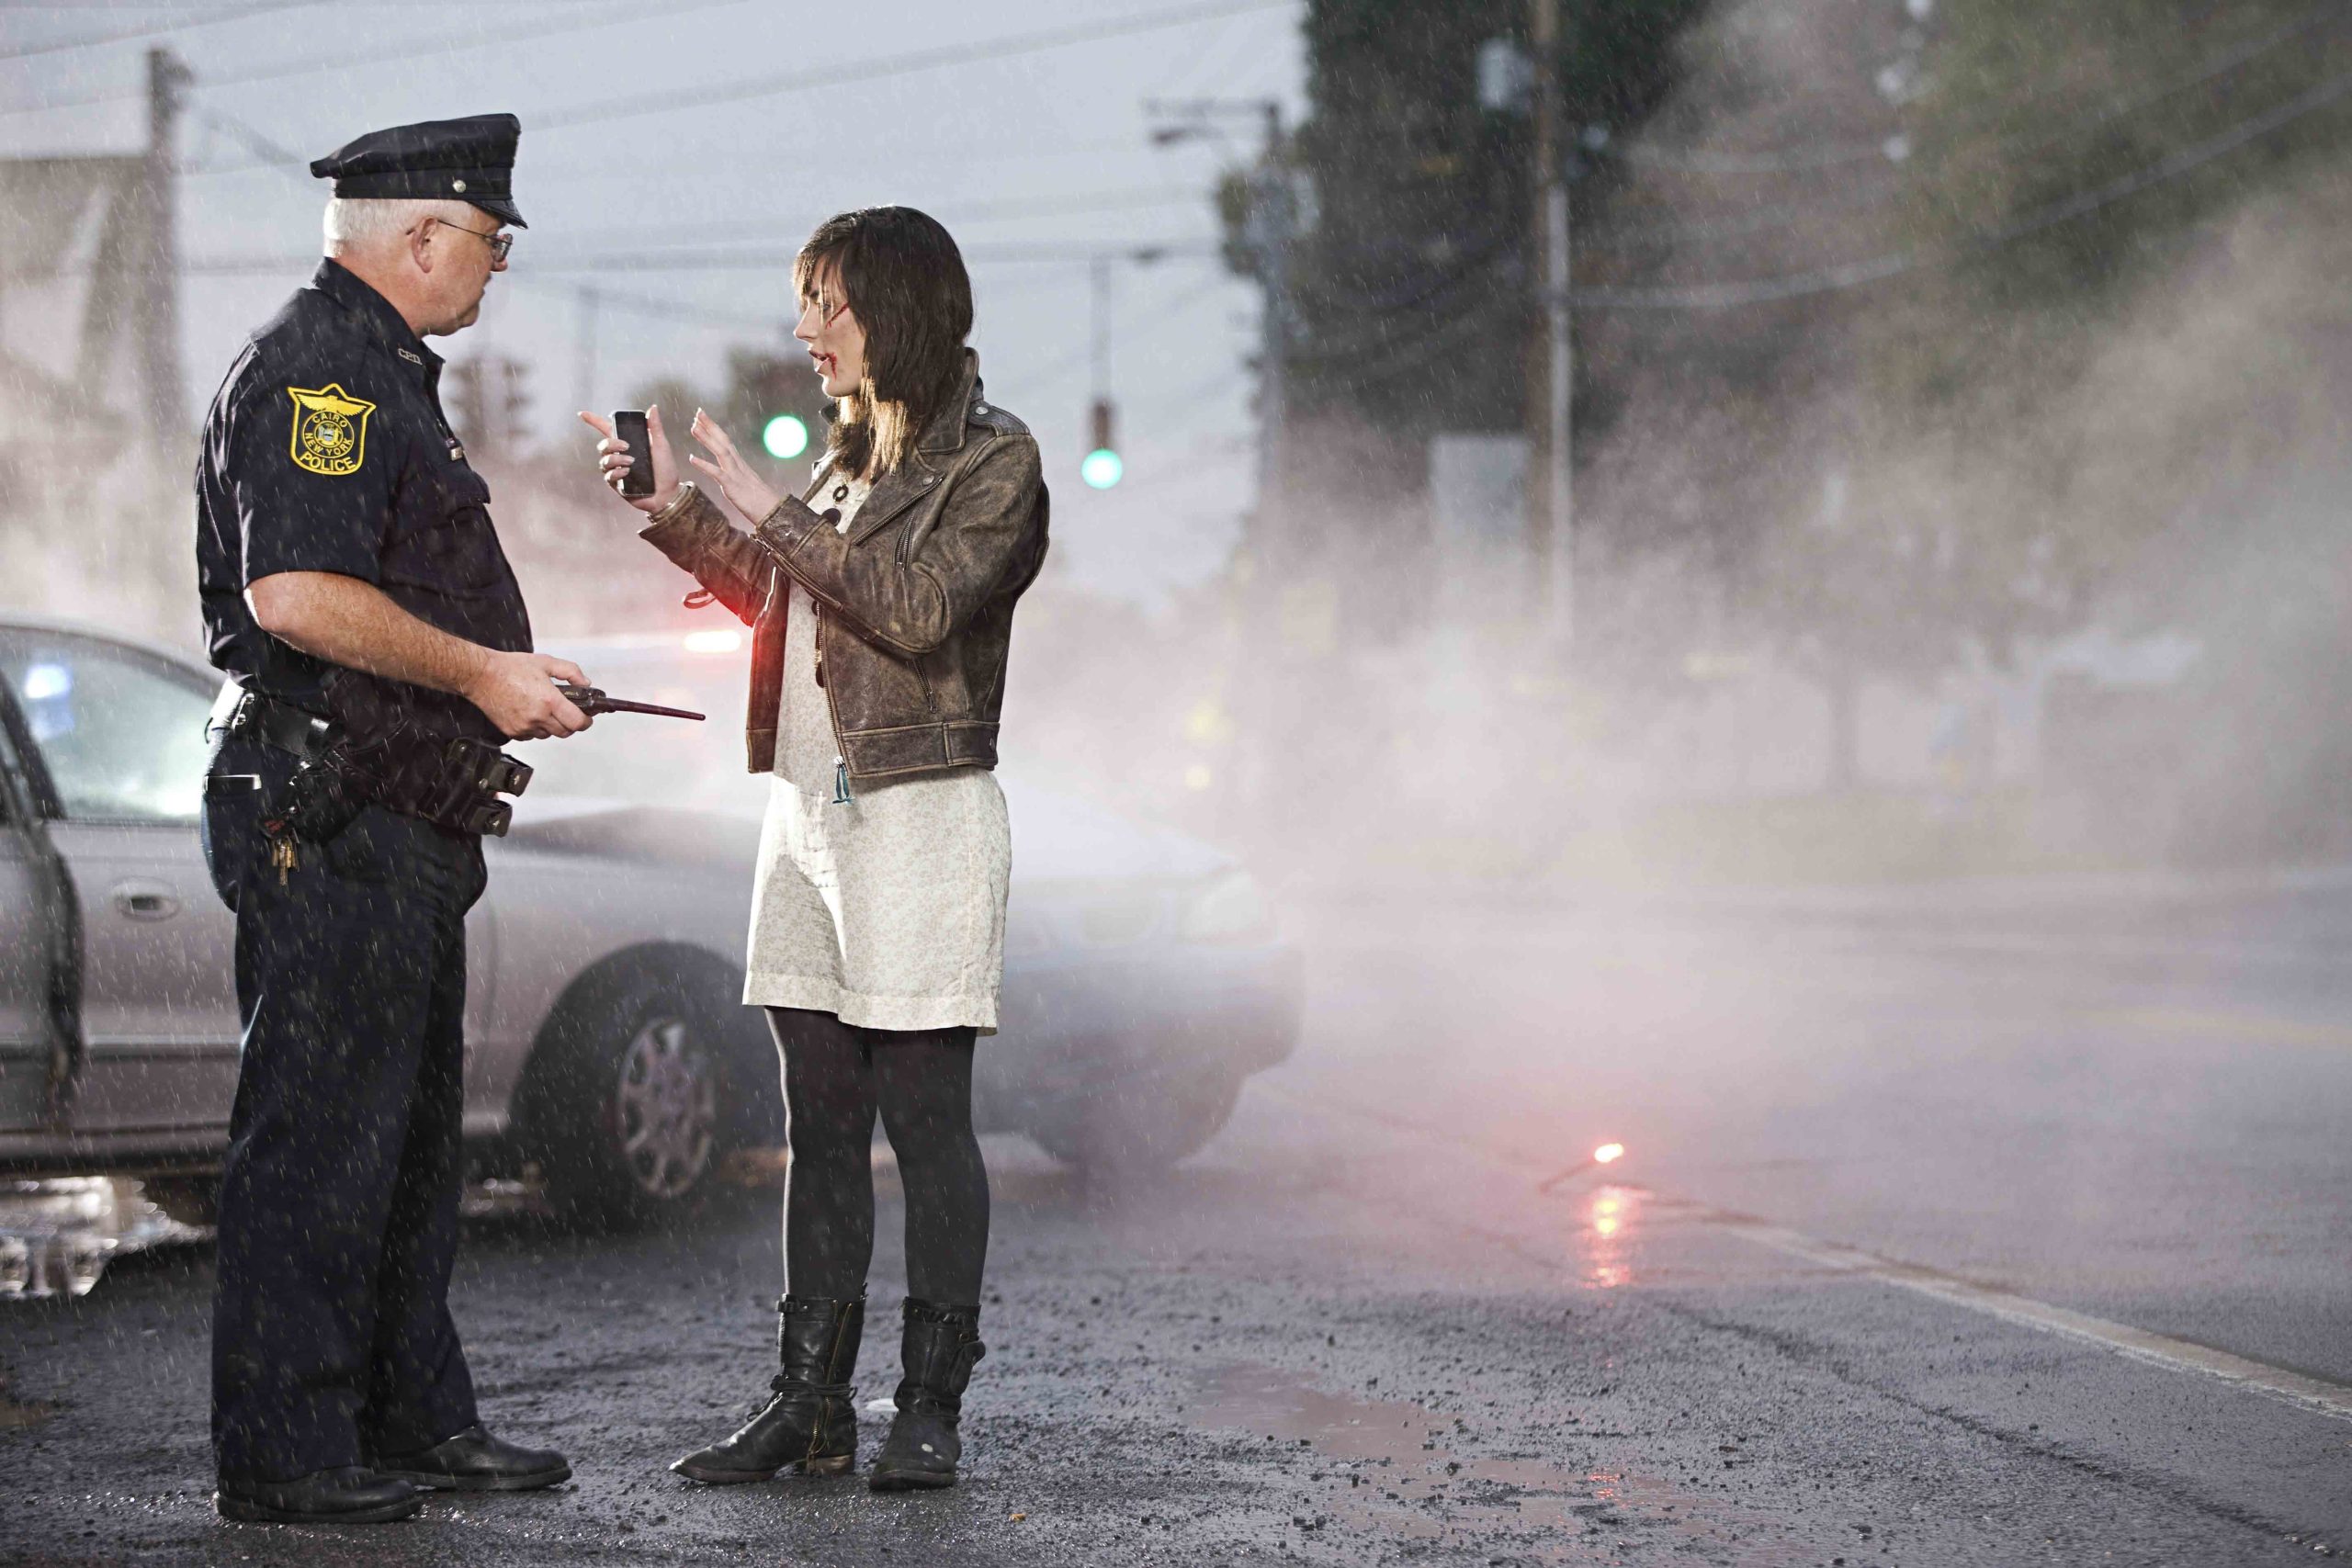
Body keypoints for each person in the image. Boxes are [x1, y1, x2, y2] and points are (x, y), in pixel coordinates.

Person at [580, 206, 1049, 1493]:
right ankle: (811, 1403)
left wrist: (768, 508)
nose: (806, 332)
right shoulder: (847, 462)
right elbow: (786, 601)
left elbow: (914, 609)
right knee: (821, 1117)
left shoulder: (995, 464)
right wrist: (680, 508)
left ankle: (931, 1405)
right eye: (804, 304)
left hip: (919, 815)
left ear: (893, 312)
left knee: (925, 1119)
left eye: (826, 306)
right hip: (807, 815)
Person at [195, 113, 587, 1525]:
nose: (494, 267)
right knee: (321, 1137)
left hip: (391, 816)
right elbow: (294, 593)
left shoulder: (383, 373)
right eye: (489, 240)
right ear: (422, 235)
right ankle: (289, 1455)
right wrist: (486, 671)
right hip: (335, 810)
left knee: (408, 1140)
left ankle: (412, 1418)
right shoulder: (324, 371)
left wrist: (508, 676)